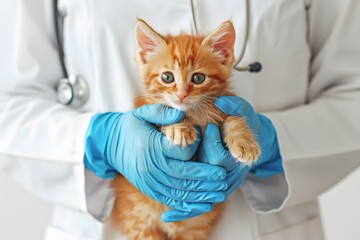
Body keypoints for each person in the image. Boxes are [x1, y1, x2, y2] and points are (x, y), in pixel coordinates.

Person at [0, 0, 359, 239]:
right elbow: (11, 104)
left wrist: (276, 143)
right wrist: (98, 141)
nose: (183, 91)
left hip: (261, 226)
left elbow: (353, 96)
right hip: (109, 221)